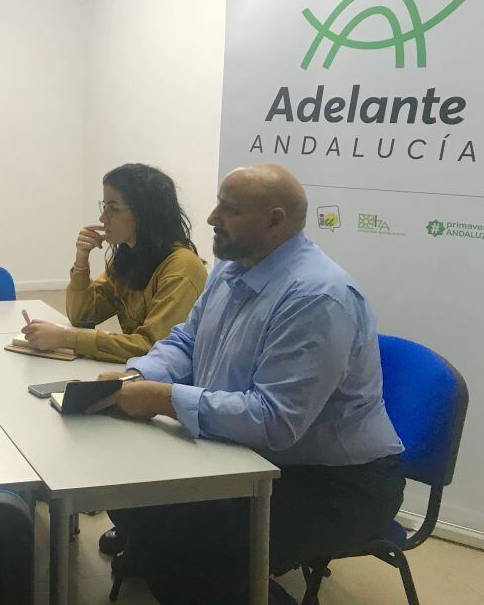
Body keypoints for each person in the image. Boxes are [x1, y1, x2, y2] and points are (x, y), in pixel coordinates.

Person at [88, 164, 404, 604]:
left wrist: (162, 399)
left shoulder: (317, 298)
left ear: (275, 220)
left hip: (335, 482)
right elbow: (186, 341)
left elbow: (275, 421)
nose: (213, 217)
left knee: (192, 558)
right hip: (245, 453)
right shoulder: (232, 268)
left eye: (230, 209)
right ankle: (166, 559)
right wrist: (138, 375)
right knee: (133, 494)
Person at [20, 164, 207, 362]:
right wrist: (81, 260)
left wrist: (68, 338)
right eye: (104, 207)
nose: (102, 217)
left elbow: (153, 348)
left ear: (145, 214)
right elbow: (83, 316)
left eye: (112, 209)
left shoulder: (182, 268)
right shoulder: (130, 256)